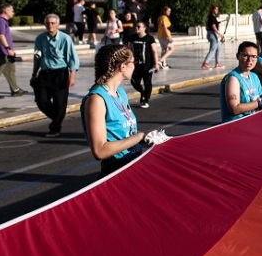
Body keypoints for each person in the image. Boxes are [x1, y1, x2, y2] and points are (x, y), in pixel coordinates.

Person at [80, 44, 168, 178]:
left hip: (134, 161)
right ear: (122, 66)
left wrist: (147, 137)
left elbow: (125, 133)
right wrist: (139, 137)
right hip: (116, 169)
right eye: (134, 62)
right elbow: (100, 150)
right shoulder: (96, 100)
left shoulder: (120, 92)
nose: (135, 66)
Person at [31, 13, 80, 137]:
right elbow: (37, 57)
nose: (50, 25)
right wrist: (34, 74)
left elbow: (73, 59)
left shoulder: (65, 39)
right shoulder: (40, 39)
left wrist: (72, 77)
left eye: (53, 23)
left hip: (60, 73)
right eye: (48, 23)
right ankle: (58, 116)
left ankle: (55, 127)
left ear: (58, 25)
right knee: (41, 100)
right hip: (44, 73)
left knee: (60, 102)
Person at [221, 41, 262, 123]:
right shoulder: (233, 78)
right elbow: (234, 109)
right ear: (238, 56)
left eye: (254, 56)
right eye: (245, 55)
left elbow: (261, 97)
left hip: (252, 122)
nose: (250, 60)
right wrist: (260, 102)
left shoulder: (254, 77)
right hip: (235, 125)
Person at [128, 21, 160, 108]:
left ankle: (145, 100)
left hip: (147, 65)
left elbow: (154, 51)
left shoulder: (149, 38)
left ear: (144, 28)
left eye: (139, 26)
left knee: (147, 82)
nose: (137, 28)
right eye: (136, 26)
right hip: (136, 65)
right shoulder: (133, 37)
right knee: (134, 81)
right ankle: (142, 92)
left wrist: (156, 63)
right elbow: (129, 50)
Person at [0, 4, 26, 97]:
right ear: (6, 10)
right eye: (12, 10)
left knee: (11, 69)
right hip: (2, 52)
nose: (13, 12)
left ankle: (15, 89)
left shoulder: (4, 21)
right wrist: (8, 48)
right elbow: (0, 35)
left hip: (6, 52)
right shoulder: (1, 21)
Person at [202, 5, 224, 70]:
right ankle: (205, 63)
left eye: (217, 9)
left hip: (212, 33)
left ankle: (217, 63)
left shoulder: (213, 17)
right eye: (215, 9)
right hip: (212, 34)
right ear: (212, 10)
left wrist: (217, 23)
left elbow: (213, 24)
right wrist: (219, 33)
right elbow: (213, 26)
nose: (217, 10)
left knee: (218, 49)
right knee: (213, 49)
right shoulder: (212, 17)